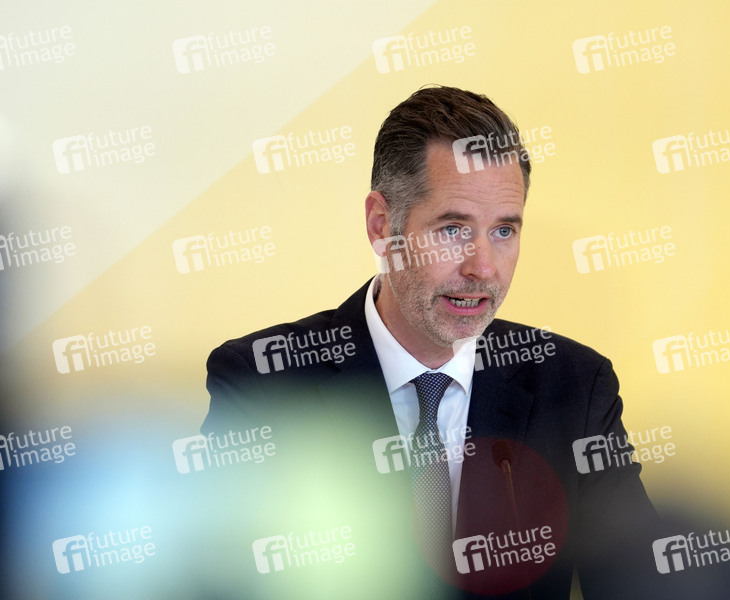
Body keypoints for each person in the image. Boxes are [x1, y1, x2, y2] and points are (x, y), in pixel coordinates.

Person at [202, 86, 659, 599]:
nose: (483, 267)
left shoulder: (574, 387)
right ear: (381, 226)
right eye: (452, 229)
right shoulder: (263, 383)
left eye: (503, 231)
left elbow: (641, 586)